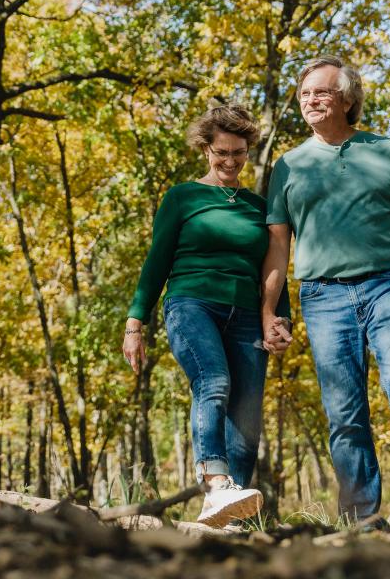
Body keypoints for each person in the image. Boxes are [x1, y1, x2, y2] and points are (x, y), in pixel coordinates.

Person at [260, 55, 390, 536]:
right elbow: (276, 244)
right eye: (305, 93)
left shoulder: (387, 153)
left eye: (321, 92)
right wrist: (269, 310)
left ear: (347, 100)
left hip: (386, 286)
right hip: (322, 296)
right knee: (344, 410)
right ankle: (362, 518)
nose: (310, 100)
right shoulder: (288, 166)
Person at [122, 101, 289, 527]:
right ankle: (215, 481)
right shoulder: (183, 197)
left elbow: (273, 266)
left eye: (238, 153)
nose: (230, 161)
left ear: (248, 151)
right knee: (213, 381)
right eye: (221, 153)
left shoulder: (258, 206)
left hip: (248, 314)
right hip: (191, 303)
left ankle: (232, 514)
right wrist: (135, 323)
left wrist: (279, 318)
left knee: (247, 412)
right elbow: (156, 260)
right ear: (206, 150)